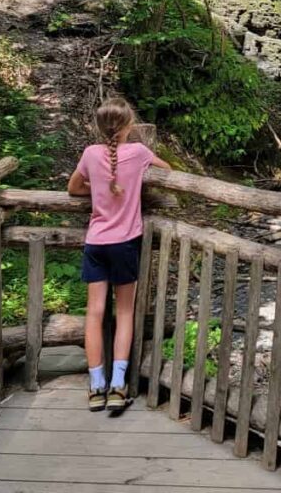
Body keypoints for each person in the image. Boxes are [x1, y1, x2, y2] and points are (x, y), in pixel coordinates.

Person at [68, 97, 171, 413]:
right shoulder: (139, 153)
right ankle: (118, 386)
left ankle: (96, 385)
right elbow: (168, 173)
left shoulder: (90, 154)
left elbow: (73, 188)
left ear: (99, 127)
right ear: (129, 126)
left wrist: (98, 190)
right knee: (124, 312)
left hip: (96, 242)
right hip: (125, 244)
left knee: (95, 313)